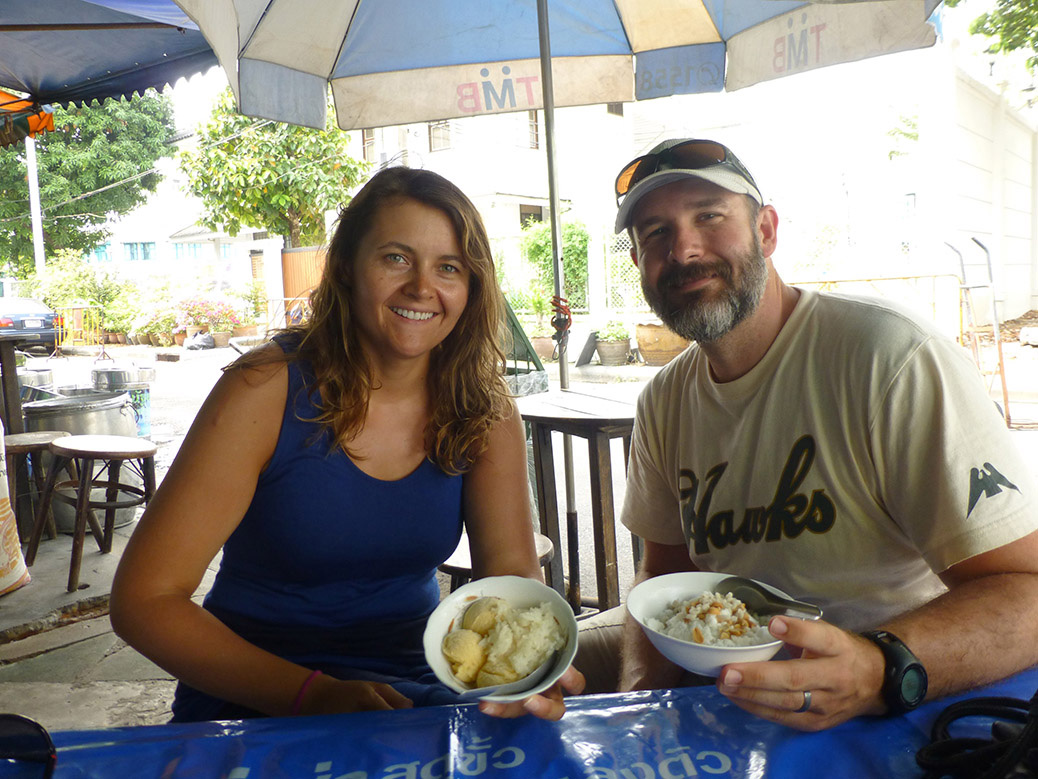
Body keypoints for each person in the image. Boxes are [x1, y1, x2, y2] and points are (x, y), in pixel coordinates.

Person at [576, 138, 1038, 731]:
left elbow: (1026, 594)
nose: (684, 249)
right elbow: (665, 578)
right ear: (640, 264)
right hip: (731, 709)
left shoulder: (888, 360)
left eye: (709, 217)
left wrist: (877, 665)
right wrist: (643, 714)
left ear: (766, 232)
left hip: (900, 704)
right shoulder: (664, 401)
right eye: (655, 234)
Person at [110, 166, 583, 722]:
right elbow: (144, 602)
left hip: (414, 692)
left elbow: (511, 583)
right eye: (396, 258)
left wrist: (531, 668)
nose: (422, 287)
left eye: (449, 268)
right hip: (252, 698)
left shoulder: (484, 406)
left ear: (472, 289)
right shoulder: (262, 389)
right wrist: (312, 695)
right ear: (346, 270)